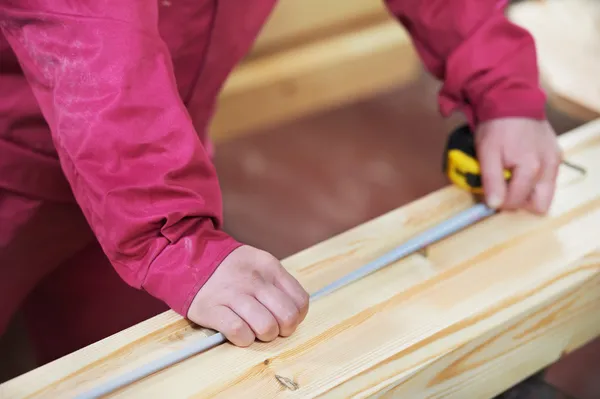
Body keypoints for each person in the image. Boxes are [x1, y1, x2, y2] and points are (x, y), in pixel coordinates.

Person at [0, 0, 561, 365]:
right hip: (17, 162)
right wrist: (174, 236)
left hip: (154, 150)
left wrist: (500, 86)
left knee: (143, 367)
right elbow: (86, 29)